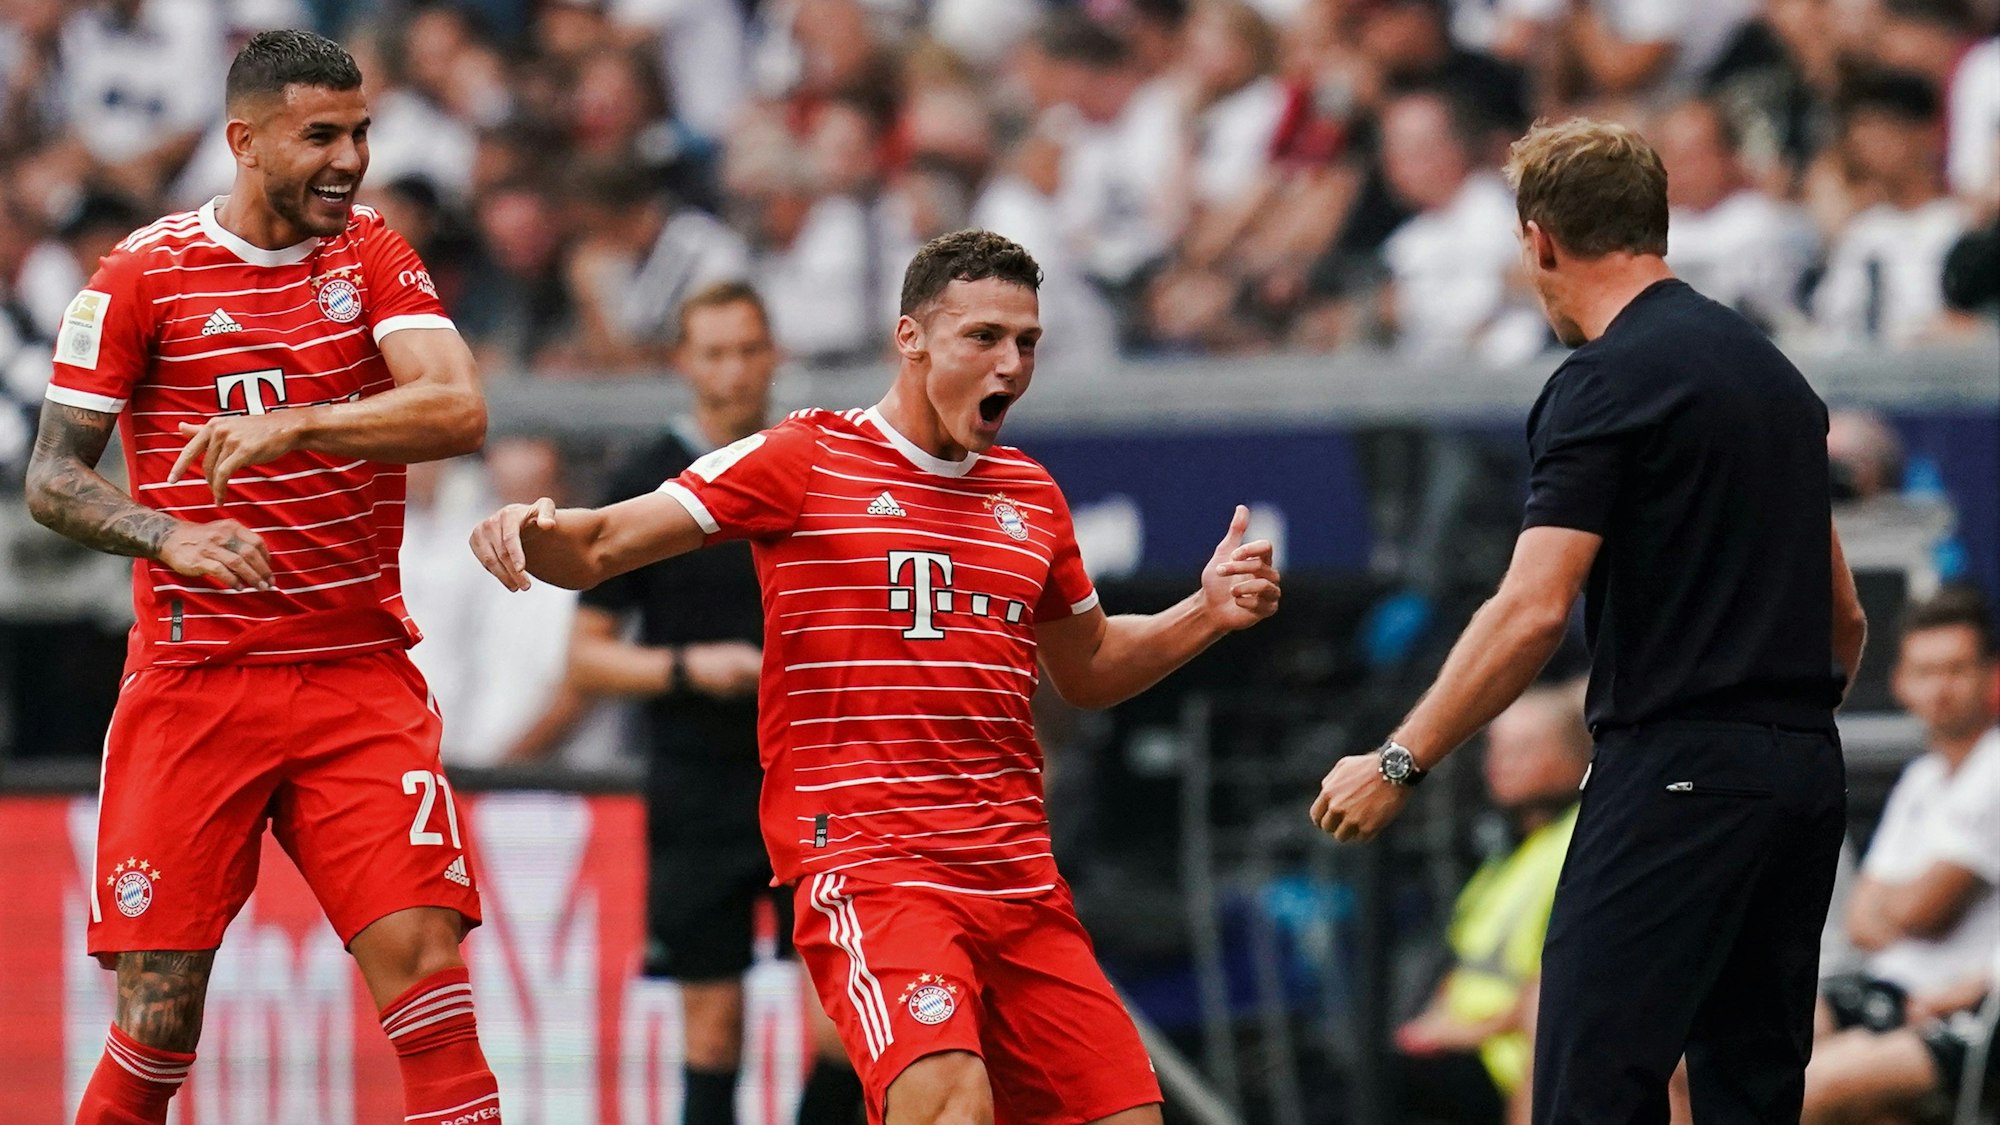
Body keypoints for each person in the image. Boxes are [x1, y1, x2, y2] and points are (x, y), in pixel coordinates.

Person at [470, 229, 1283, 1123]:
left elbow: (1086, 668)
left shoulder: (1032, 497)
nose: (1011, 363)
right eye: (984, 337)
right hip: (873, 865)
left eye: (1028, 343)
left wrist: (1202, 612)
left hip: (1018, 879)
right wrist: (528, 529)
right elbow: (601, 543)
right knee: (945, 1102)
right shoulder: (803, 458)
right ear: (912, 338)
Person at [1310, 118, 1868, 1124]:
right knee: (1749, 1096)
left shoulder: (1604, 384)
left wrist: (1396, 760)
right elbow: (1844, 616)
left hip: (1676, 767)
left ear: (1538, 242)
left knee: (1583, 1092)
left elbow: (1529, 611)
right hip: (1800, 775)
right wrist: (1775, 738)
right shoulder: (1774, 377)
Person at [22, 30, 502, 1125]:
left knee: (427, 970)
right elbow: (52, 478)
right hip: (196, 680)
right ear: (244, 141)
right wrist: (165, 536)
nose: (349, 159)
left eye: (360, 132)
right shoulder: (143, 274)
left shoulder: (373, 254)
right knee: (157, 1022)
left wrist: (309, 422)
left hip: (353, 673)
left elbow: (459, 408)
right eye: (320, 135)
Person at [563, 281, 862, 1123]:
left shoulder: (818, 465)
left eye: (748, 350)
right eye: (715, 352)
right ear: (685, 363)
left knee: (841, 1025)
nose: (734, 371)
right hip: (698, 783)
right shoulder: (645, 479)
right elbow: (586, 659)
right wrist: (695, 668)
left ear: (774, 356)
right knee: (712, 1028)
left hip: (810, 786)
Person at [1392, 685, 1590, 1125]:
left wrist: (1461, 1032)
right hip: (1470, 1055)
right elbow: (1462, 961)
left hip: (1514, 1064)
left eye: (1522, 750)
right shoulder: (1507, 853)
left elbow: (1563, 990)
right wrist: (1432, 1023)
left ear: (1574, 756)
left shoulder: (1580, 845)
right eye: (1495, 751)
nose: (1498, 766)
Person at [1825, 587, 2000, 1033]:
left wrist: (1894, 904)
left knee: (1800, 1084)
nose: (1940, 688)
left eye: (1955, 669)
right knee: (1695, 1056)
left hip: (1956, 1011)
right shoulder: (1920, 778)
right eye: (1925, 671)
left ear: (1992, 676)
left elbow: (1927, 910)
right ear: (1899, 682)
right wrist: (1900, 909)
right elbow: (1859, 921)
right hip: (1882, 988)